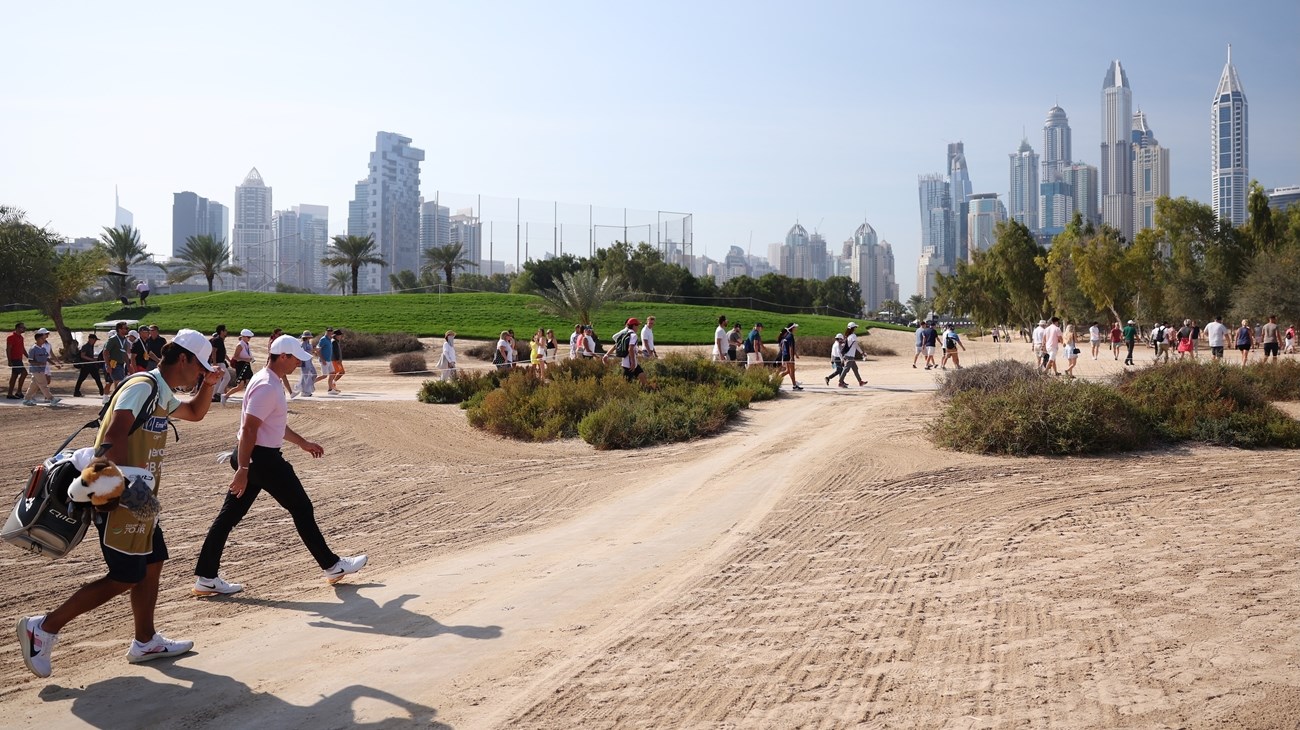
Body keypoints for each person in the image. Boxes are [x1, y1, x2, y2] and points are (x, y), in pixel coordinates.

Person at [18, 330, 221, 678]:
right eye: (200, 367)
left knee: (154, 561)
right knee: (126, 576)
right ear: (184, 359)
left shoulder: (162, 391)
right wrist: (121, 492)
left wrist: (210, 385)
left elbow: (194, 412)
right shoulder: (143, 386)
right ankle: (44, 627)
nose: (201, 372)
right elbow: (112, 437)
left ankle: (146, 640)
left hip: (141, 496)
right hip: (123, 494)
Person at [193, 334, 367, 597]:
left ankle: (206, 577)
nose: (298, 363)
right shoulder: (266, 385)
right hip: (261, 459)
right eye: (296, 358)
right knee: (301, 508)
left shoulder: (267, 381)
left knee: (228, 517)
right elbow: (250, 429)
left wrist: (303, 443)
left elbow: (273, 424)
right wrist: (243, 468)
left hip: (253, 457)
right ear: (283, 356)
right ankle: (331, 566)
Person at [22, 328, 62, 405]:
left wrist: (55, 364)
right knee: (43, 384)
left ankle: (26, 399)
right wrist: (38, 363)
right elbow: (30, 360)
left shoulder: (43, 348)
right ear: (38, 339)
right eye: (42, 339)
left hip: (41, 369)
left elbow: (47, 358)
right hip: (36, 370)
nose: (44, 340)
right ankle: (51, 399)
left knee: (34, 385)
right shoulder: (33, 349)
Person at [607, 318, 647, 385]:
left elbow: (618, 345)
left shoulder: (624, 334)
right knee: (626, 384)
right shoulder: (633, 335)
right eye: (637, 325)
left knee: (642, 376)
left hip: (631, 363)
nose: (638, 327)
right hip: (630, 364)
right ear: (634, 326)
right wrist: (633, 362)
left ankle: (645, 391)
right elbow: (630, 349)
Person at [222, 329, 255, 403]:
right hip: (241, 365)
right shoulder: (240, 345)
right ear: (243, 337)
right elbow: (235, 357)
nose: (249, 339)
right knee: (240, 386)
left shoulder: (246, 344)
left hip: (246, 364)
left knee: (249, 381)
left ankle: (250, 397)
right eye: (248, 337)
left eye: (250, 338)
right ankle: (225, 395)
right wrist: (245, 359)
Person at [102, 321, 131, 399]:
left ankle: (115, 398)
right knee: (118, 382)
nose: (127, 330)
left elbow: (124, 354)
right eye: (125, 328)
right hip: (113, 364)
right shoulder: (113, 339)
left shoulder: (125, 340)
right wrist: (107, 365)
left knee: (118, 382)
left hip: (121, 365)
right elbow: (105, 352)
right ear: (119, 329)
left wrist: (128, 365)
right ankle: (116, 398)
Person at [73, 333, 105, 398]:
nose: (95, 341)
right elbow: (82, 356)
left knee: (97, 378)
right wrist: (92, 359)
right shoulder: (85, 346)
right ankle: (76, 392)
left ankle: (102, 391)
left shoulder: (91, 346)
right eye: (94, 339)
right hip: (86, 365)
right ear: (90, 339)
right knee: (81, 379)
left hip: (91, 365)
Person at [837, 322, 867, 388]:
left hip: (848, 355)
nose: (855, 329)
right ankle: (840, 382)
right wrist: (862, 353)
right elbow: (856, 345)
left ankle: (860, 382)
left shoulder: (847, 336)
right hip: (850, 356)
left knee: (855, 369)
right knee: (846, 369)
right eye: (855, 327)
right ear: (853, 328)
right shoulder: (853, 336)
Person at [776, 323, 802, 391]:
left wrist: (795, 354)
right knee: (792, 371)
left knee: (788, 371)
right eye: (795, 327)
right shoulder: (790, 336)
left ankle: (776, 380)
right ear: (792, 328)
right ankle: (794, 386)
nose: (796, 329)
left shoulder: (786, 336)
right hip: (788, 356)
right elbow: (791, 347)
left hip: (785, 355)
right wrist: (791, 357)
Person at [209, 325, 231, 403]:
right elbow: (214, 352)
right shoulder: (218, 340)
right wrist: (215, 363)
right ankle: (218, 394)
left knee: (218, 380)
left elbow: (222, 353)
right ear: (221, 331)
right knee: (227, 377)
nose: (226, 331)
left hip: (220, 362)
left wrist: (229, 360)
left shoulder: (220, 340)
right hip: (219, 363)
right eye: (225, 330)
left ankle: (214, 395)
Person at [268, 328, 294, 394]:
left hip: (277, 360)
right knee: (280, 376)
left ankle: (289, 392)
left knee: (282, 376)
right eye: (279, 334)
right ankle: (288, 392)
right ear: (275, 334)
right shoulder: (273, 341)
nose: (280, 335)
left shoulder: (275, 341)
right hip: (275, 361)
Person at [7, 321, 28, 400]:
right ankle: (18, 391)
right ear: (17, 328)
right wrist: (9, 360)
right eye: (22, 327)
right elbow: (8, 349)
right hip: (14, 359)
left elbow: (22, 348)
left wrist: (28, 357)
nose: (24, 329)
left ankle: (10, 393)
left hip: (19, 359)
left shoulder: (21, 338)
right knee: (24, 373)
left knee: (14, 376)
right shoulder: (11, 337)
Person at [297, 331, 318, 397]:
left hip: (309, 361)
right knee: (305, 376)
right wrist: (312, 351)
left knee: (314, 374)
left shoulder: (309, 343)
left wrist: (313, 351)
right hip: (304, 361)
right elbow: (302, 352)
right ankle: (305, 391)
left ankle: (307, 388)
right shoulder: (303, 343)